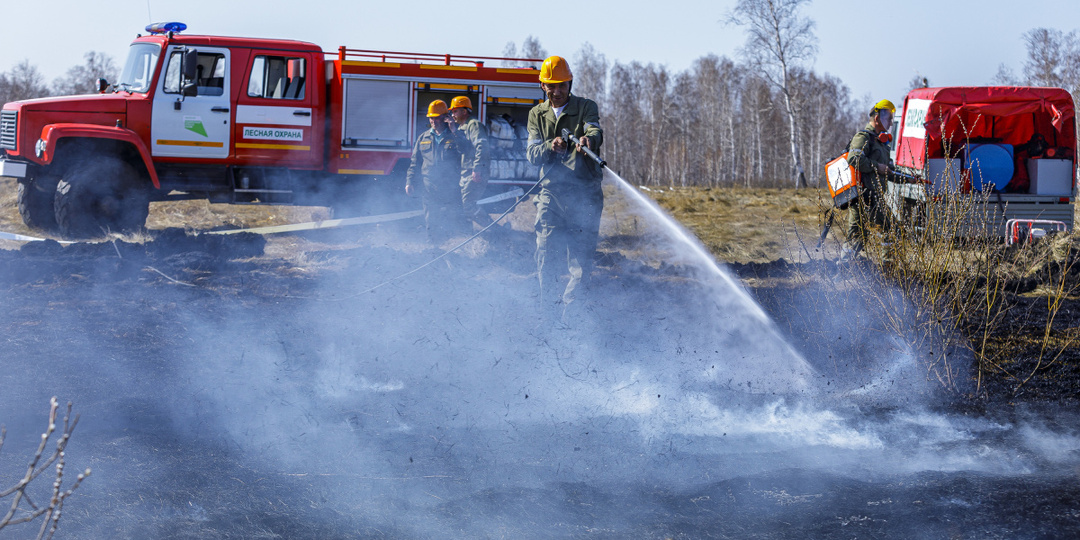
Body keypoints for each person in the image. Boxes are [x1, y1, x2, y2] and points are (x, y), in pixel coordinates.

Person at [525, 55, 604, 325]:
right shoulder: (536, 114)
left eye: (561, 85)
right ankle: (546, 317)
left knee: (581, 262)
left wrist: (588, 140)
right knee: (545, 254)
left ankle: (571, 319)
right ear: (543, 87)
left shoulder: (586, 107)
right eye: (551, 86)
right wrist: (551, 147)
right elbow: (532, 152)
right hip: (551, 195)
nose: (557, 91)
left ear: (569, 84)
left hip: (585, 196)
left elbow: (595, 129)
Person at [406, 100, 468, 245]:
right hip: (429, 187)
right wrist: (409, 182)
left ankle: (458, 251)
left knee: (455, 221)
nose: (434, 121)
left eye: (437, 117)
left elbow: (466, 149)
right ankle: (434, 249)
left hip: (450, 187)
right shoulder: (423, 138)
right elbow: (415, 163)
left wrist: (454, 130)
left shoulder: (456, 135)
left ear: (446, 117)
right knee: (431, 221)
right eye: (431, 118)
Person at [844, 99, 897, 258]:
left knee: (866, 234)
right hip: (863, 196)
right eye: (888, 118)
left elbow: (889, 171)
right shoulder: (863, 137)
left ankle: (887, 268)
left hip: (874, 197)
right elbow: (854, 158)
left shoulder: (880, 142)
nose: (891, 122)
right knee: (859, 236)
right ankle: (842, 272)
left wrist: (910, 179)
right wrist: (877, 166)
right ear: (877, 118)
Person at [448, 96, 494, 228]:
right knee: (466, 205)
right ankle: (487, 230)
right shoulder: (462, 127)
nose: (453, 115)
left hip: (473, 171)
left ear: (464, 111)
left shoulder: (474, 125)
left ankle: (493, 230)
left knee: (468, 205)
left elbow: (482, 147)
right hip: (466, 171)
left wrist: (477, 168)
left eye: (455, 111)